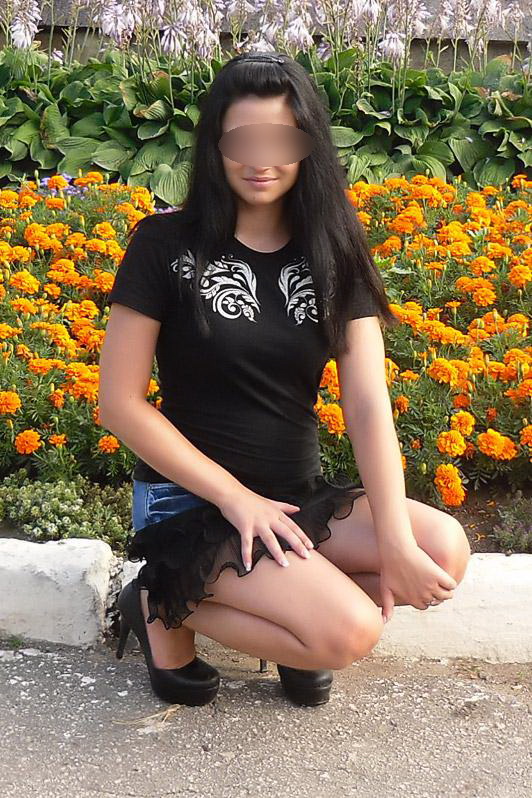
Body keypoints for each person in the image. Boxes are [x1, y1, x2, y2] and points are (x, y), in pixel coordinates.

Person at [98, 51, 470, 708]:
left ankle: (295, 617)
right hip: (195, 507)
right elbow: (119, 405)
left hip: (295, 496)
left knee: (439, 551)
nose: (261, 159)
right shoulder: (163, 245)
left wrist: (394, 541)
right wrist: (236, 498)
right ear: (215, 147)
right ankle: (160, 598)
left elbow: (367, 402)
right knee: (349, 633)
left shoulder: (332, 249)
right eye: (242, 140)